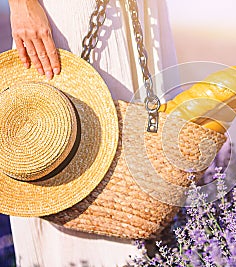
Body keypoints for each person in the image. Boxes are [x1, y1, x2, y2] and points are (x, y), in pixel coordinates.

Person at [8, 0, 179, 265]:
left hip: (137, 11)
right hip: (70, 13)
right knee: (59, 136)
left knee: (132, 171)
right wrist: (22, 6)